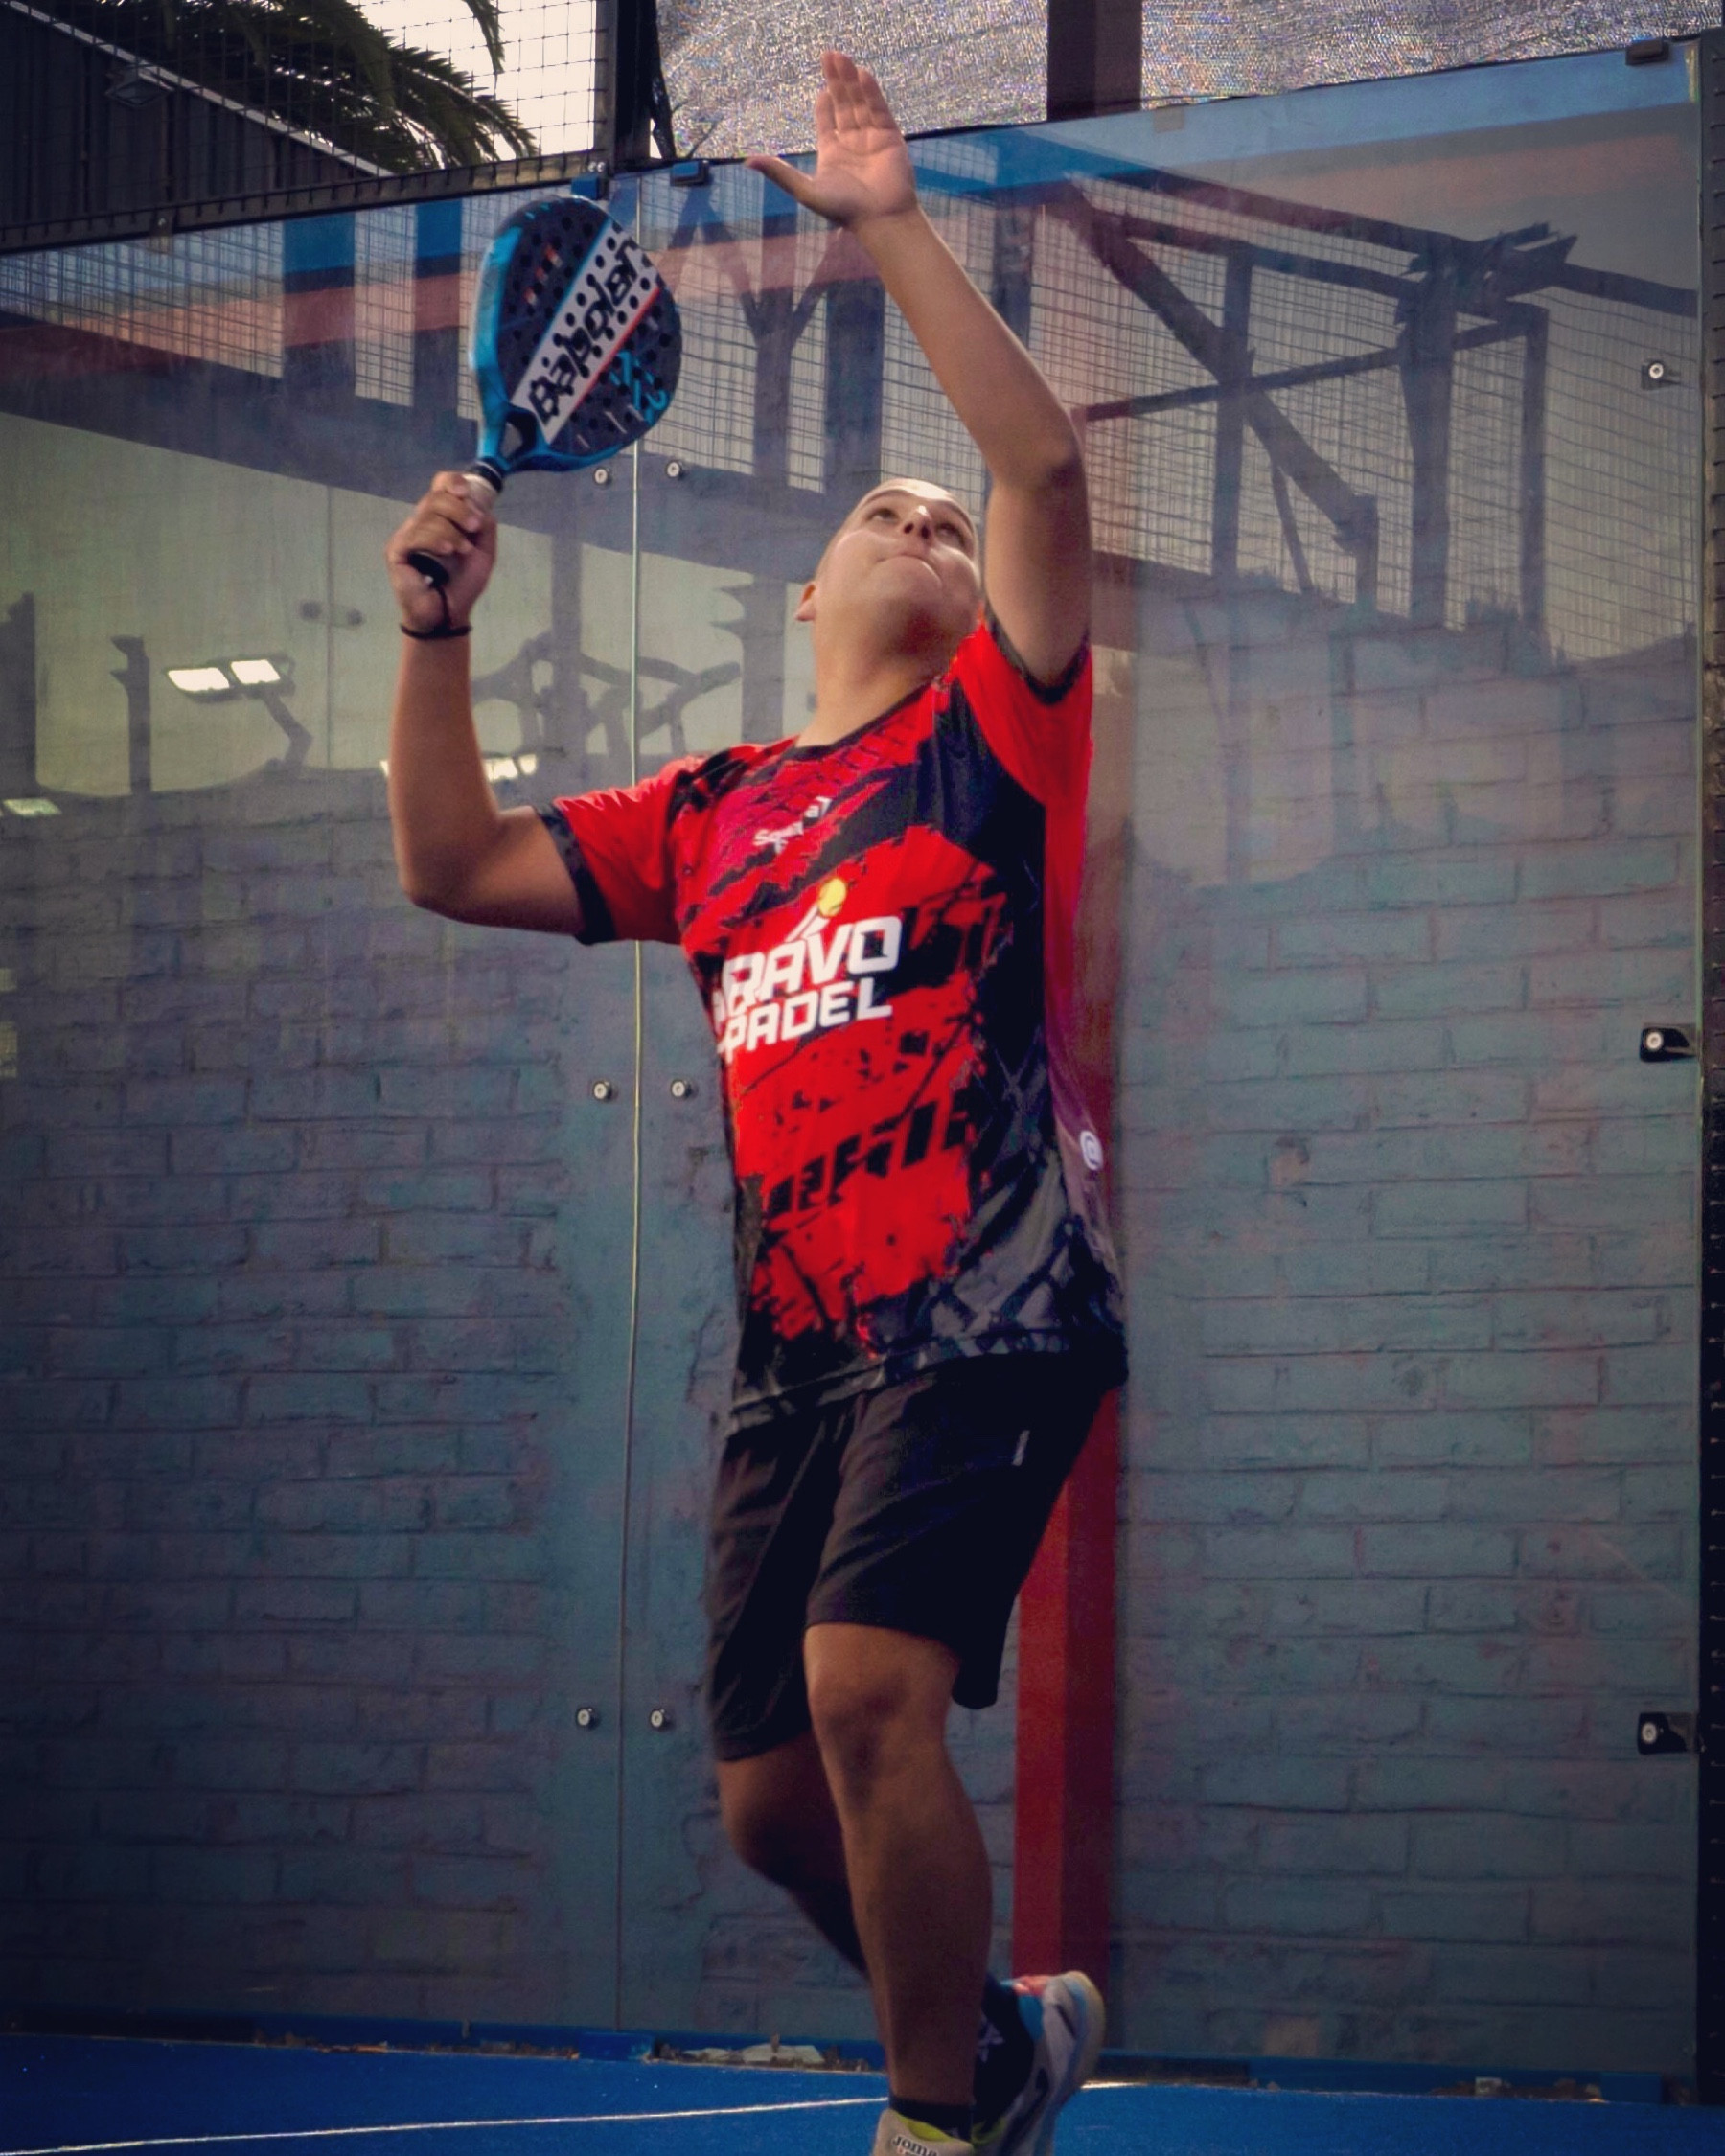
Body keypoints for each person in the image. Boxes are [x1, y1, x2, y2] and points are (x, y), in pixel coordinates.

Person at [384, 50, 1126, 2156]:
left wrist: (887, 224)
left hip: (992, 1306)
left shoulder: (1000, 735)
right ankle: (1001, 2044)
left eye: (946, 525)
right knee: (769, 1800)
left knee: (871, 1688)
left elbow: (1042, 473)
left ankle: (932, 2126)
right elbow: (451, 860)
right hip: (798, 1352)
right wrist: (433, 636)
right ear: (799, 598)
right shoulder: (714, 813)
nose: (927, 519)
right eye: (881, 512)